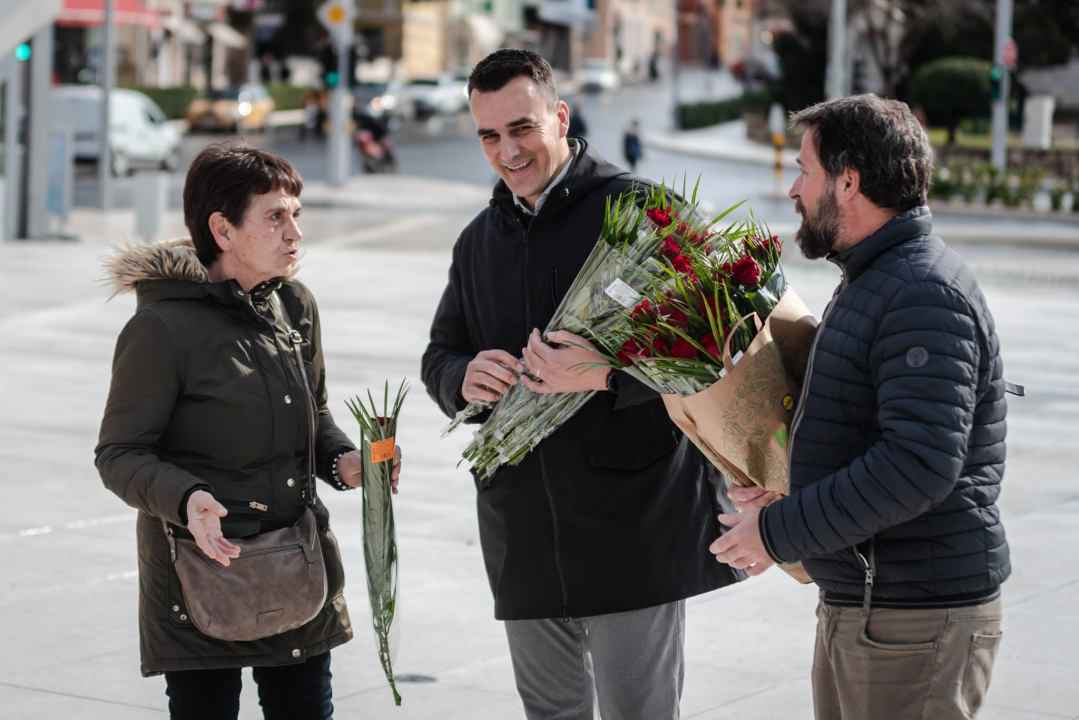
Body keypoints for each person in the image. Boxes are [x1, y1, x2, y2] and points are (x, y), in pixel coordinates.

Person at [421, 48, 742, 720]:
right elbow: (440, 354)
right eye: (487, 135)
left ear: (559, 115)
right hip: (522, 529)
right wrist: (462, 377)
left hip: (634, 523)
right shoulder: (477, 240)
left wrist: (605, 374)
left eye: (521, 129)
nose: (506, 152)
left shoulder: (649, 215)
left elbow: (720, 352)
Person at [709, 94, 1011, 720]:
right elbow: (867, 436)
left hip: (914, 620)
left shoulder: (922, 292)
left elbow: (918, 463)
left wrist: (778, 532)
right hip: (876, 605)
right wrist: (788, 491)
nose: (794, 188)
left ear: (848, 182)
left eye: (805, 170)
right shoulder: (876, 280)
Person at [96, 139, 403, 719]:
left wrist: (345, 462)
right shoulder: (162, 327)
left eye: (297, 215)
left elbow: (315, 413)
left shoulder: (296, 306)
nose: (295, 234)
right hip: (200, 576)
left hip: (294, 569)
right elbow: (119, 453)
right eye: (275, 216)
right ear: (223, 229)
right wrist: (188, 500)